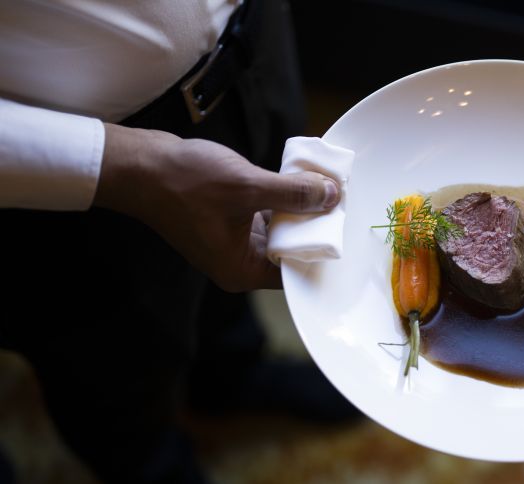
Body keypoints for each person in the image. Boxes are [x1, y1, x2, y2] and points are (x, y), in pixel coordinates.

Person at [0, 1, 357, 483]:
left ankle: (229, 375)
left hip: (254, 40)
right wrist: (124, 164)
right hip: (76, 162)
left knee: (242, 261)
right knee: (117, 365)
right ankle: (153, 466)